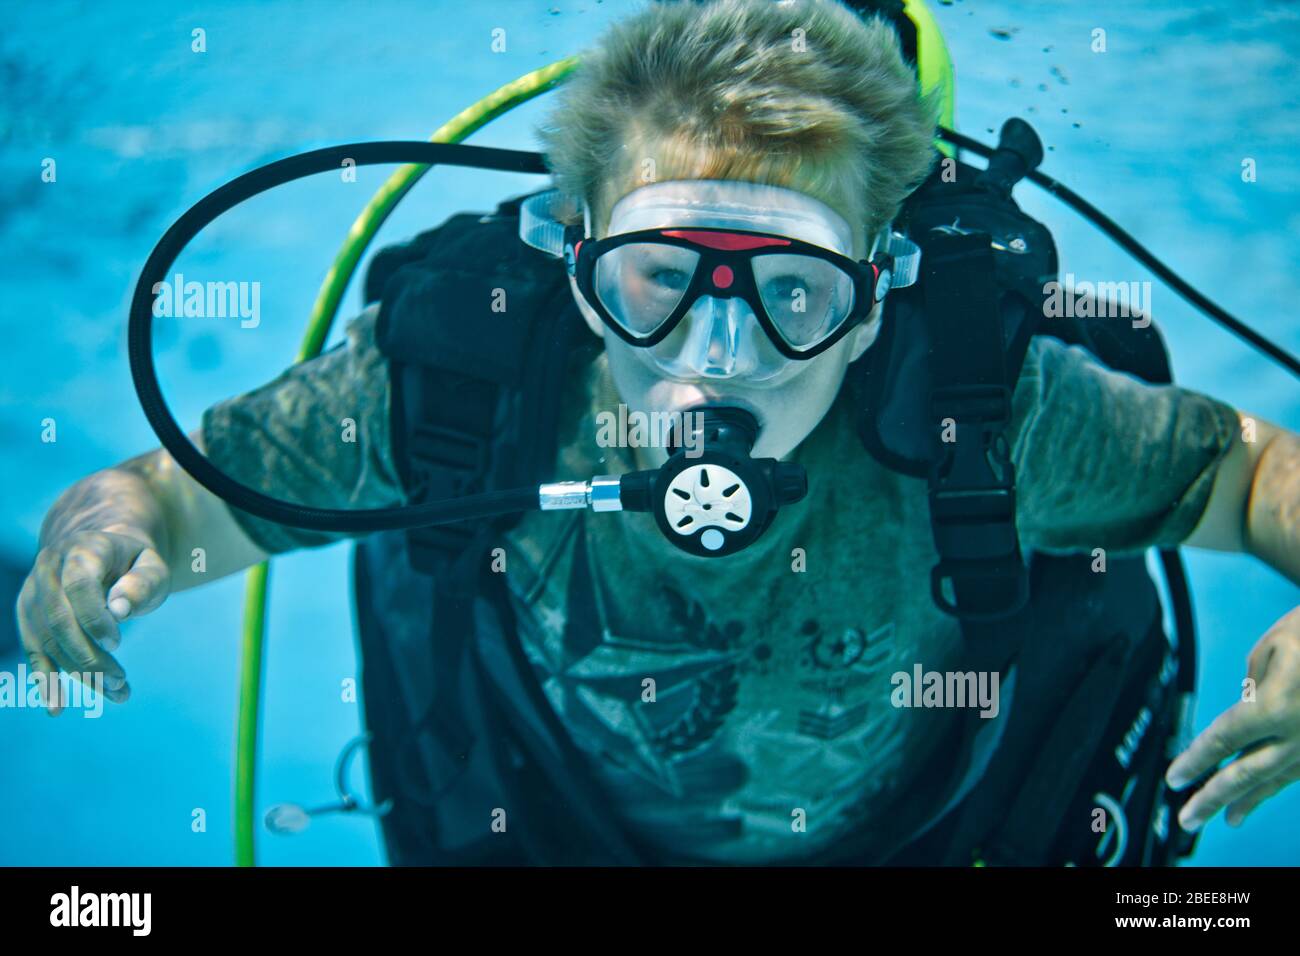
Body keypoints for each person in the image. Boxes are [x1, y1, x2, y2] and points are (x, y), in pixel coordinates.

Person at [17, 0, 1300, 866]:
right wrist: (101, 531)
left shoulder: (979, 407)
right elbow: (176, 502)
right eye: (658, 278)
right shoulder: (463, 387)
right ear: (578, 273)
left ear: (873, 306)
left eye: (792, 291)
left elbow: (1252, 475)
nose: (719, 348)